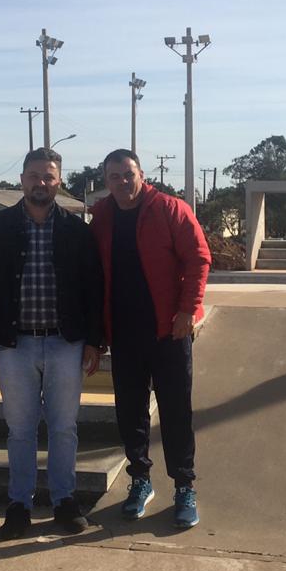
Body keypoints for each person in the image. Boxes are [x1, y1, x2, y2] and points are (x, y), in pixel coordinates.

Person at [0, 147, 103, 540]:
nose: (40, 183)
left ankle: (64, 501)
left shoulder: (78, 230)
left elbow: (94, 289)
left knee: (64, 428)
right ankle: (19, 505)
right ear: (21, 180)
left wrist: (94, 341)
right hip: (15, 346)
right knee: (20, 430)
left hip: (65, 344)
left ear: (59, 181)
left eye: (48, 176)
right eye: (33, 176)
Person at [89, 149, 211, 529]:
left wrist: (187, 311)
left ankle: (184, 486)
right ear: (106, 181)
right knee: (130, 412)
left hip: (169, 332)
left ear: (141, 174)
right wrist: (97, 332)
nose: (122, 182)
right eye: (114, 176)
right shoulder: (102, 217)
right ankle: (140, 480)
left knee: (176, 412)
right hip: (124, 333)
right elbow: (94, 274)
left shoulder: (170, 209)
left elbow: (198, 258)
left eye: (128, 174)